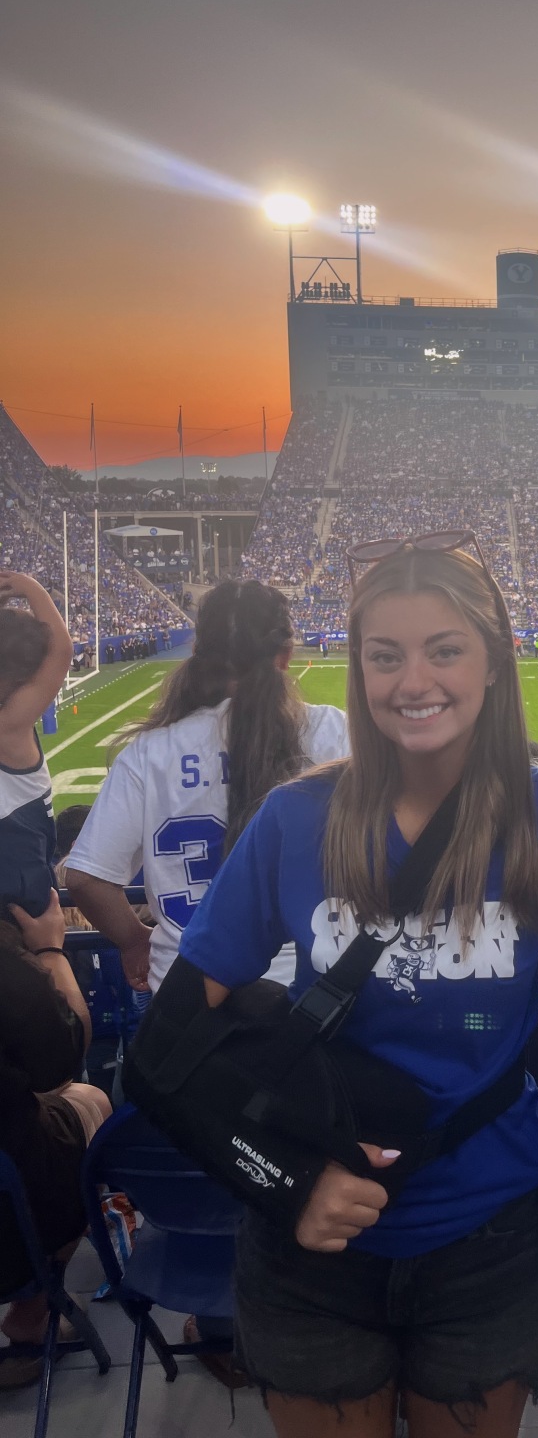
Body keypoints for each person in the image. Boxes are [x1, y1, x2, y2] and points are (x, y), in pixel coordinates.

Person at [161, 539, 538, 1437]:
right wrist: (286, 1184)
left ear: (494, 660)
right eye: (384, 655)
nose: (410, 680)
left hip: (490, 1238)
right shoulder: (295, 819)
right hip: (312, 1254)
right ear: (356, 669)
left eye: (444, 649)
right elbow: (162, 1051)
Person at [66, 580, 349, 996]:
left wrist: (134, 940)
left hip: (188, 994)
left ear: (198, 652)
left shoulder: (151, 751)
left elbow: (86, 877)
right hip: (311, 990)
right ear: (286, 655)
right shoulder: (334, 732)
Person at [0, 890, 111, 1389]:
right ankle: (31, 1312)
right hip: (13, 1192)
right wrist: (48, 951)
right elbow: (63, 1059)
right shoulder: (9, 974)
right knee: (90, 1100)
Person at [0, 572, 74, 919]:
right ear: (24, 677)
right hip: (23, 897)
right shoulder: (9, 726)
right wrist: (33, 589)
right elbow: (61, 651)